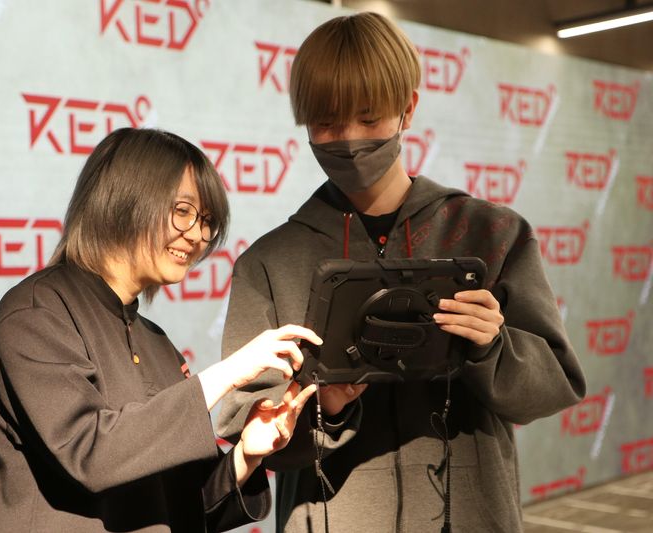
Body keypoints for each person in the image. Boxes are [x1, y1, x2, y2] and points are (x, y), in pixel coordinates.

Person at [217, 12, 586, 533]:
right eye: (327, 123)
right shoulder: (270, 263)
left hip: (470, 516)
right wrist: (325, 408)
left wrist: (492, 347)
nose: (349, 140)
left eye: (369, 120)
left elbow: (554, 386)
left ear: (407, 109)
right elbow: (248, 427)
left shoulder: (492, 234)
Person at [0, 127, 322, 533]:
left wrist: (247, 454)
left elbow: (184, 506)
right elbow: (89, 453)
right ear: (123, 198)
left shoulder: (155, 342)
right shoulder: (37, 313)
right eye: (183, 211)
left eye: (207, 221)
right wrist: (225, 375)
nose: (197, 236)